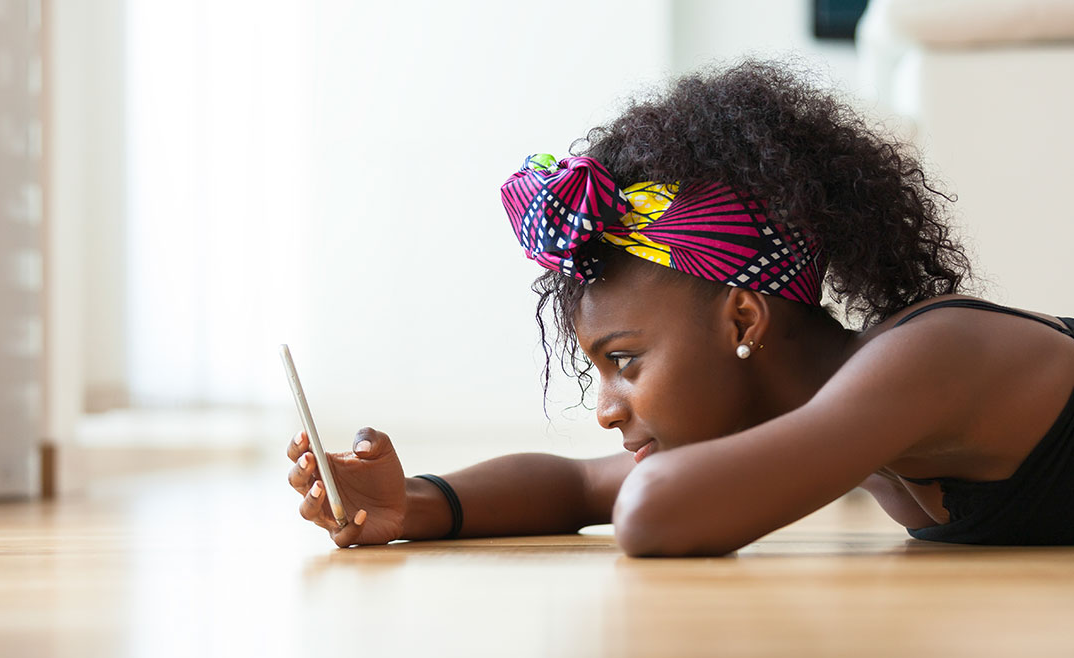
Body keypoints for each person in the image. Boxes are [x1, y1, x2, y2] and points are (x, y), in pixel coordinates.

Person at [286, 60, 1074, 555]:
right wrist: (415, 503)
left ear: (742, 319)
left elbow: (652, 510)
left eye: (623, 360)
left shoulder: (928, 361)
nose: (604, 408)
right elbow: (578, 486)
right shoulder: (842, 410)